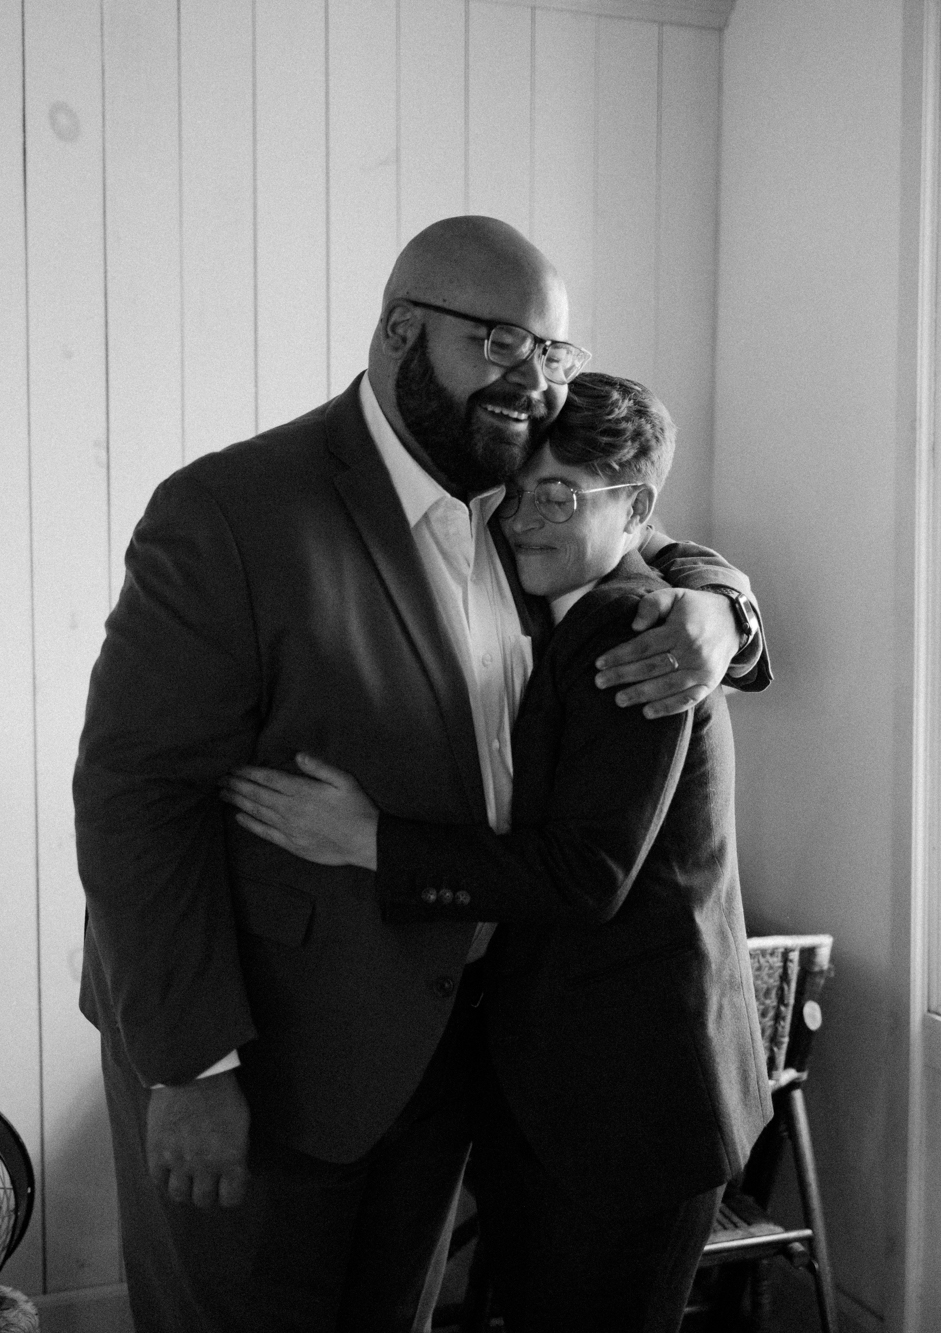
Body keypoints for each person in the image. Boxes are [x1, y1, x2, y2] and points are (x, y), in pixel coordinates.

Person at [72, 217, 769, 1332]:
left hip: (446, 1074)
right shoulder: (232, 513)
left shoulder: (510, 506)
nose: (533, 382)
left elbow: (637, 537)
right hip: (269, 1071)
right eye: (498, 343)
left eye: (554, 353)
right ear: (402, 329)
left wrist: (722, 608)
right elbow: (133, 799)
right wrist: (190, 1067)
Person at [223, 373, 769, 1332]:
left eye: (558, 496)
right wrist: (724, 595)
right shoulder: (555, 587)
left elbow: (585, 876)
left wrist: (367, 840)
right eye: (514, 494)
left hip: (631, 1101)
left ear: (634, 508)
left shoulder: (636, 629)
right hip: (560, 1091)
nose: (521, 521)